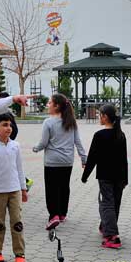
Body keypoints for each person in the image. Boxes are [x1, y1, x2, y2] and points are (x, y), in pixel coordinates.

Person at [32, 93, 86, 229]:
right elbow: (77, 142)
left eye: (50, 103)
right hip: (67, 161)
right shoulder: (71, 121)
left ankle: (53, 215)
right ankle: (62, 213)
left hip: (52, 162)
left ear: (57, 106)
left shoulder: (48, 122)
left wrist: (35, 148)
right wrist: (84, 158)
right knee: (63, 186)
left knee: (51, 189)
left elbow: (44, 143)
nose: (48, 105)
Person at [0, 113, 28, 262]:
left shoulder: (15, 146)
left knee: (17, 222)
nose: (8, 128)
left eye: (10, 125)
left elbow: (20, 169)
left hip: (14, 189)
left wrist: (23, 188)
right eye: (4, 125)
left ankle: (19, 252)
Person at [81, 104, 128, 248]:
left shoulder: (100, 135)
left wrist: (85, 175)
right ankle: (106, 226)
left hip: (105, 176)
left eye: (99, 115)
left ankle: (112, 236)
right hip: (119, 176)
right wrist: (126, 179)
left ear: (105, 117)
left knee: (106, 203)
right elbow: (124, 158)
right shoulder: (121, 134)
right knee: (115, 203)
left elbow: (92, 158)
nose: (98, 117)